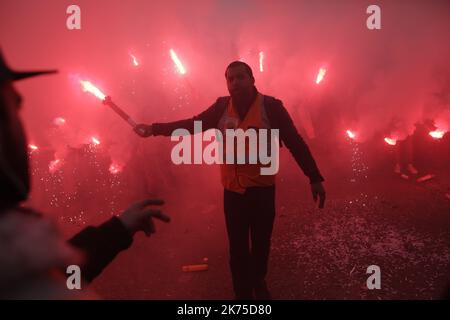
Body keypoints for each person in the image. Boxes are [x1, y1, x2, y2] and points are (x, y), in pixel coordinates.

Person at [134, 61, 326, 300]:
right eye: (230, 79)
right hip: (233, 193)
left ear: (252, 80)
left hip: (262, 192)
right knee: (237, 250)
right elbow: (191, 125)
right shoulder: (221, 107)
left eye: (240, 77)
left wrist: (314, 177)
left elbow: (295, 142)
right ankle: (242, 295)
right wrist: (154, 129)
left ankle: (258, 280)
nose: (235, 82)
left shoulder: (272, 107)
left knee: (261, 244)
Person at [0, 49, 170, 299]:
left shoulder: (16, 254)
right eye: (14, 107)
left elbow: (64, 273)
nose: (19, 124)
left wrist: (119, 229)